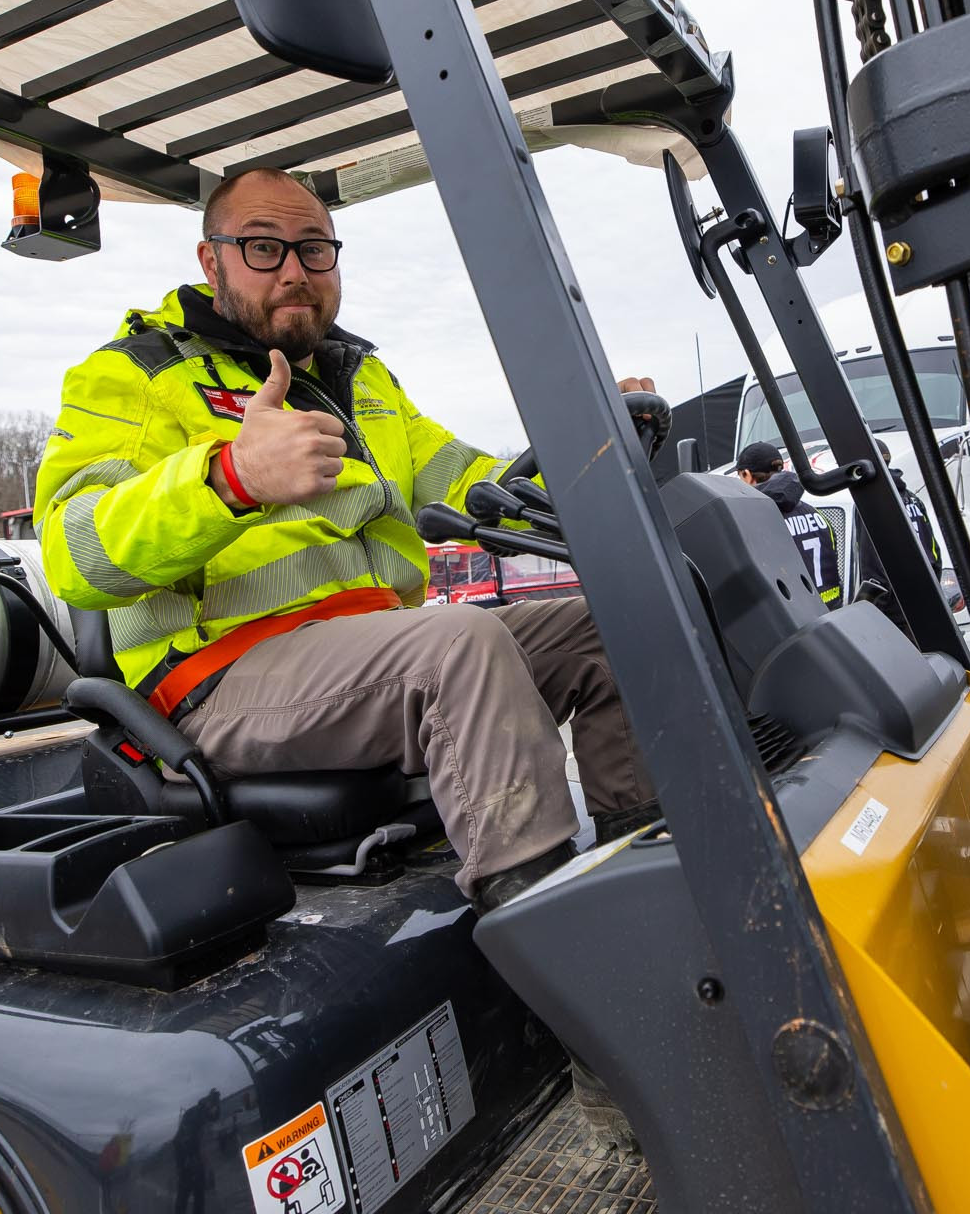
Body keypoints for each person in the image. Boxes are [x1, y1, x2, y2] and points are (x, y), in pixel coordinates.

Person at [35, 166, 659, 907]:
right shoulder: (135, 376)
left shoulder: (362, 379)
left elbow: (474, 484)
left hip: (371, 657)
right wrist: (230, 479)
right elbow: (73, 556)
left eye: (314, 248)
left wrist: (588, 451)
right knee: (460, 643)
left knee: (614, 625)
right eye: (263, 248)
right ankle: (568, 931)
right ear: (212, 260)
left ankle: (647, 864)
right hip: (219, 680)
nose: (295, 272)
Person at [737, 439, 841, 606]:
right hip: (832, 615)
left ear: (746, 475)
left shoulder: (755, 520)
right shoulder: (818, 514)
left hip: (794, 621)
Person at [851, 437, 944, 603]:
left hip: (896, 601)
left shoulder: (871, 503)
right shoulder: (912, 498)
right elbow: (934, 552)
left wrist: (871, 606)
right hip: (926, 591)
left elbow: (873, 566)